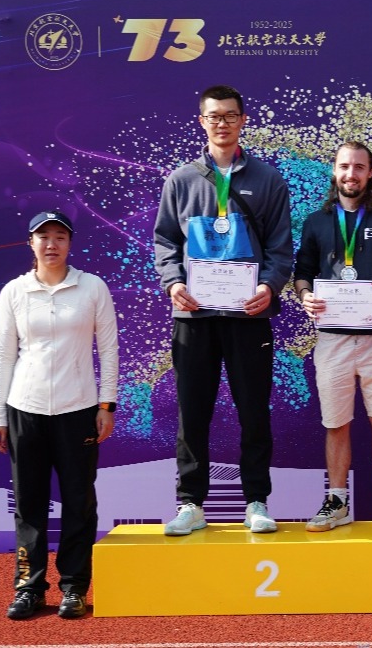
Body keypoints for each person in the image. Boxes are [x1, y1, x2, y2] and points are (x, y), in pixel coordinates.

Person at [153, 84, 293, 536]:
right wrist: (174, 282)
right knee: (192, 411)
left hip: (248, 316)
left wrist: (269, 286)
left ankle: (256, 500)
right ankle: (191, 503)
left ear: (243, 120)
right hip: (194, 316)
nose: (222, 123)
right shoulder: (181, 180)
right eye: (214, 116)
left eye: (230, 115)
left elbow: (280, 247)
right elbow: (164, 240)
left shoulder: (268, 179)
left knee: (254, 410)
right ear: (202, 122)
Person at [0, 211, 118, 620]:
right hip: (24, 409)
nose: (51, 244)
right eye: (42, 236)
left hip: (78, 410)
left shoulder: (92, 287)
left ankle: (74, 587)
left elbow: (109, 349)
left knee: (79, 502)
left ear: (70, 243)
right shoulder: (14, 291)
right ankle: (28, 588)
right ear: (30, 243)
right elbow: (4, 357)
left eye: (59, 236)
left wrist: (107, 405)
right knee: (29, 503)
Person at [295, 141, 372, 531]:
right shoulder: (316, 221)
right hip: (332, 339)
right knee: (336, 424)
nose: (351, 174)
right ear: (335, 171)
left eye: (359, 167)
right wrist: (305, 295)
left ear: (370, 173)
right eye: (345, 167)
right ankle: (336, 501)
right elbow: (302, 272)